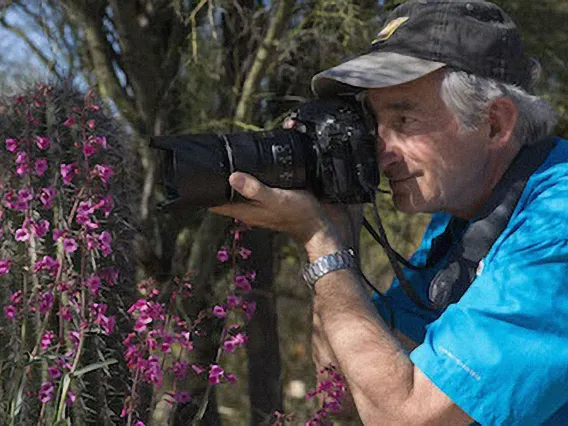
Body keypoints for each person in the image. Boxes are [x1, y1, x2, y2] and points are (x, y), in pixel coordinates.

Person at [212, 0, 568, 424]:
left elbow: (405, 416)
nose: (380, 152)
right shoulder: (462, 220)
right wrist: (338, 233)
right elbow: (345, 390)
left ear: (494, 123)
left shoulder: (555, 222)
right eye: (374, 123)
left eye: (404, 120)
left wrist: (319, 243)